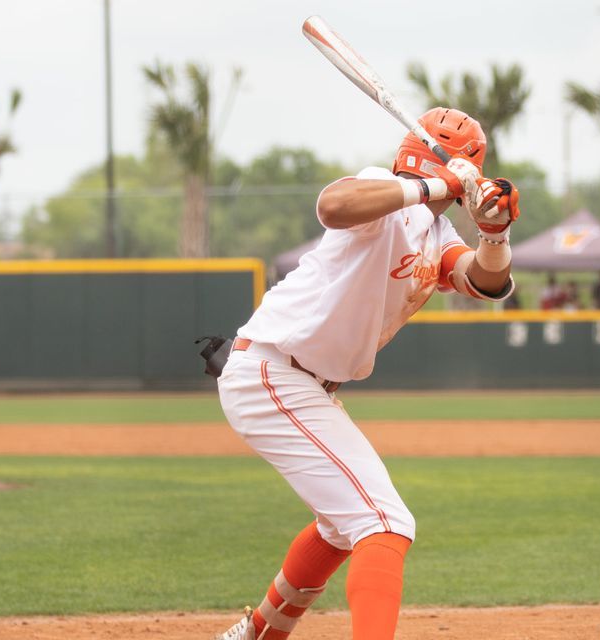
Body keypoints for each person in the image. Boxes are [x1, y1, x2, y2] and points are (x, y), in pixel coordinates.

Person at [213, 107, 520, 640]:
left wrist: (494, 233)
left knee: (340, 526)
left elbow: (485, 283)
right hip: (274, 370)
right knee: (384, 523)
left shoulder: (437, 231)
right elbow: (333, 205)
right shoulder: (385, 192)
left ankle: (261, 631)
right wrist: (436, 182)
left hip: (298, 382)